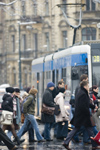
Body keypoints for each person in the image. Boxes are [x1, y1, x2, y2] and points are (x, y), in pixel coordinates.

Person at [63, 81, 99, 150]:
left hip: (80, 116)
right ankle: (94, 145)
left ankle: (66, 142)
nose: (89, 87)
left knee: (79, 129)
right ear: (85, 86)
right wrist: (88, 113)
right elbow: (84, 105)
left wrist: (93, 106)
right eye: (88, 86)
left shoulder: (81, 92)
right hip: (83, 115)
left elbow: (87, 103)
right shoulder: (83, 94)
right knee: (89, 129)